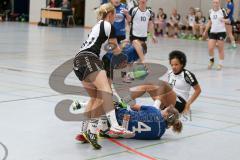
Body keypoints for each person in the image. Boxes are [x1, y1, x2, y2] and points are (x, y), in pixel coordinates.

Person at [72, 3, 133, 149]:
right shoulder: (108, 25)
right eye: (115, 16)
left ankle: (84, 132)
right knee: (106, 91)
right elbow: (114, 46)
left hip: (77, 62)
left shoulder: (97, 25)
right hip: (89, 59)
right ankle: (115, 127)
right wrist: (124, 58)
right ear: (110, 14)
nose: (115, 19)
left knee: (96, 98)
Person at [203, 0, 229, 70]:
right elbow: (209, 22)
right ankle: (212, 61)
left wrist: (223, 20)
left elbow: (228, 20)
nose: (215, 4)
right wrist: (205, 31)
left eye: (217, 2)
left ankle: (220, 64)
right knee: (210, 48)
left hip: (221, 32)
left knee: (220, 49)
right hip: (212, 32)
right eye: (214, 2)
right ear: (212, 3)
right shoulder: (210, 11)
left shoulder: (223, 11)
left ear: (219, 3)